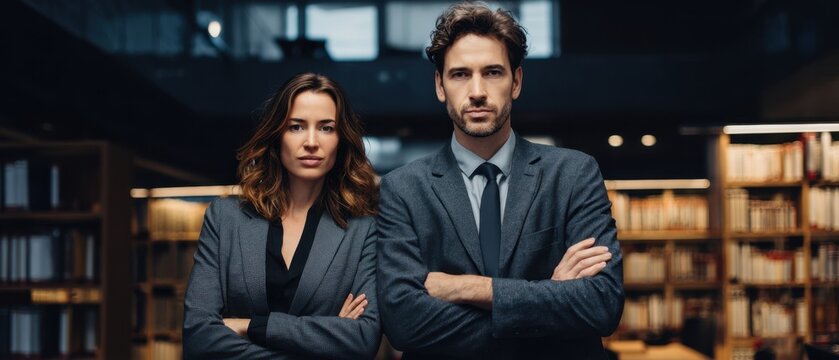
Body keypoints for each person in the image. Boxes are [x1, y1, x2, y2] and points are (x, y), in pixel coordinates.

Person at [376, 2, 624, 359]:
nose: (477, 91)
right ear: (440, 86)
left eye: (492, 72)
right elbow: (404, 323)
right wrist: (547, 296)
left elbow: (602, 305)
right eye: (460, 74)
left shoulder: (573, 174)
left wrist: (471, 288)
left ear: (516, 81)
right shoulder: (402, 189)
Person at [183, 73, 381, 359]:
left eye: (326, 128)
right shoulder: (225, 219)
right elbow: (198, 337)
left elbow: (362, 340)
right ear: (277, 135)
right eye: (296, 127)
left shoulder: (362, 230)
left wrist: (249, 326)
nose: (311, 142)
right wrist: (324, 341)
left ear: (341, 139)